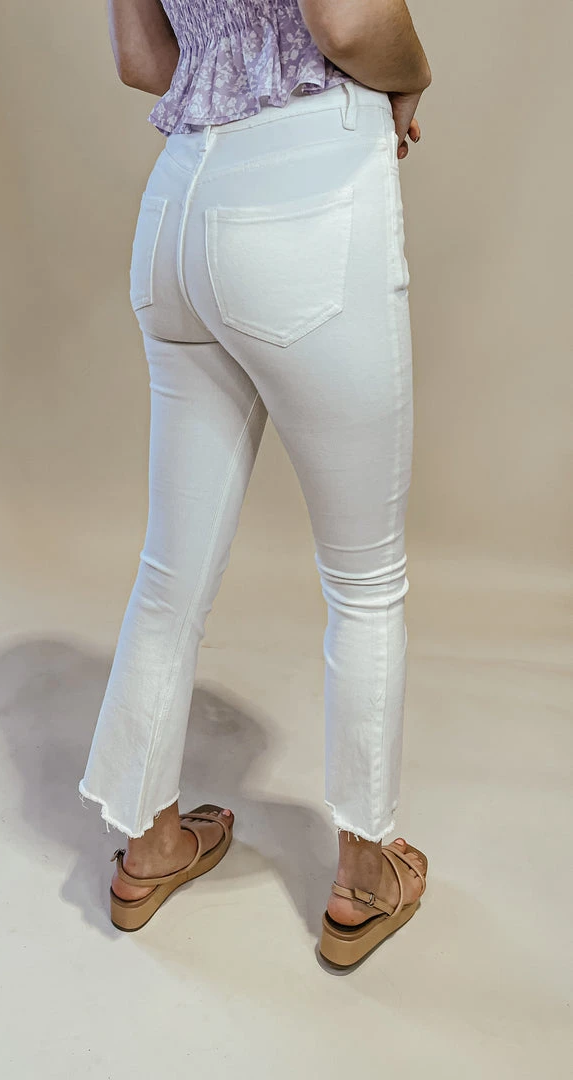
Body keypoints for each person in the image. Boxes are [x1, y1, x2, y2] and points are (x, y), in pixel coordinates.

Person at [79, 0, 431, 966]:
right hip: (305, 190)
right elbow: (347, 25)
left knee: (169, 575)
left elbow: (142, 59)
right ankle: (364, 875)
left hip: (178, 201)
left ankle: (148, 845)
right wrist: (412, 75)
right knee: (364, 580)